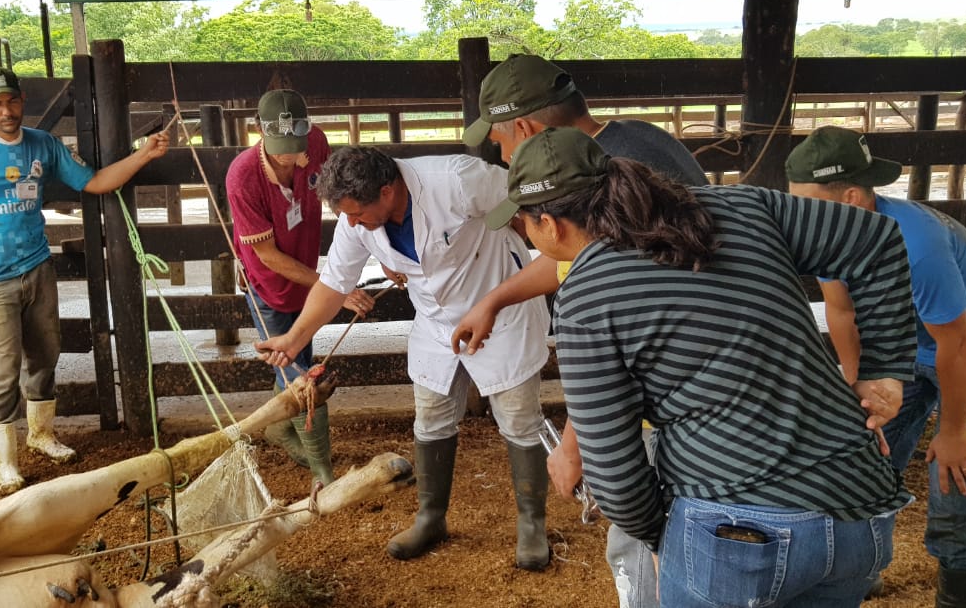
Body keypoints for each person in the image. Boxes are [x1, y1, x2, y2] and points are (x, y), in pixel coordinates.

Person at [493, 126, 916, 606]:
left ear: (548, 223)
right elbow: (877, 240)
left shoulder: (586, 295)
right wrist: (886, 367)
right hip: (857, 507)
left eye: (523, 222)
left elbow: (614, 469)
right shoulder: (742, 204)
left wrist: (661, 539)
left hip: (737, 529)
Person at [457, 53, 710, 607]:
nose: (501, 155)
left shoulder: (610, 176)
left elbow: (617, 330)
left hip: (669, 395)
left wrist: (575, 445)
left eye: (499, 142)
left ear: (524, 128)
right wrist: (497, 298)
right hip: (702, 372)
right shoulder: (631, 146)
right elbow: (575, 252)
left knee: (641, 537)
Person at [256, 145, 554, 571]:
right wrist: (295, 336)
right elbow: (335, 283)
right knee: (431, 420)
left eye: (358, 213)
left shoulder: (458, 179)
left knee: (519, 421)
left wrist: (519, 236)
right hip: (436, 323)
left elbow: (529, 202)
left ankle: (532, 524)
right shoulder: (355, 218)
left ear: (387, 190)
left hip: (502, 312)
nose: (353, 223)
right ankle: (431, 518)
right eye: (347, 216)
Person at [786, 126, 966, 608]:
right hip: (905, 341)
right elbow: (841, 310)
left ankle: (957, 586)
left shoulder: (915, 247)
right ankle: (863, 566)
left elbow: (957, 344)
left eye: (805, 201)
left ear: (852, 197)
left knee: (956, 470)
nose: (796, 214)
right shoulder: (824, 233)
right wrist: (859, 386)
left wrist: (955, 428)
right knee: (867, 454)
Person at [0, 66, 170, 494]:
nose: (6, 110)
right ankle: (5, 461)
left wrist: (144, 154)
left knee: (45, 353)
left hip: (37, 267)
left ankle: (40, 434)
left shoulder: (43, 145)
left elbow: (94, 182)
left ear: (23, 100)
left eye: (12, 101)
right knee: (3, 365)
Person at [226, 89, 373, 487]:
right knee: (302, 372)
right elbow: (268, 257)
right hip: (269, 286)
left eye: (297, 146)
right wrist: (335, 288)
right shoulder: (242, 177)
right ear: (260, 132)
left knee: (299, 361)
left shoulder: (318, 143)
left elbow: (342, 203)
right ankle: (322, 468)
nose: (292, 156)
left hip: (307, 279)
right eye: (281, 149)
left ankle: (281, 428)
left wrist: (380, 251)